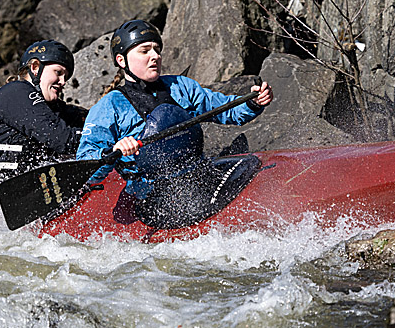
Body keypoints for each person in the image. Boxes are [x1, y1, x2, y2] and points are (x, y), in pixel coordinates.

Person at [76, 19, 274, 227]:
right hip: (151, 195)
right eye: (145, 51)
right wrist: (113, 151)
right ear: (121, 60)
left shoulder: (181, 86)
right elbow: (86, 166)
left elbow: (226, 109)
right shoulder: (108, 107)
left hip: (199, 175)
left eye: (157, 50)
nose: (155, 56)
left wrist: (252, 103)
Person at [0, 39, 86, 215]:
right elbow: (62, 140)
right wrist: (104, 140)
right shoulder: (17, 92)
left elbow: (80, 118)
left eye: (65, 77)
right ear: (35, 67)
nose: (63, 81)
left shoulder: (37, 104)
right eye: (58, 73)